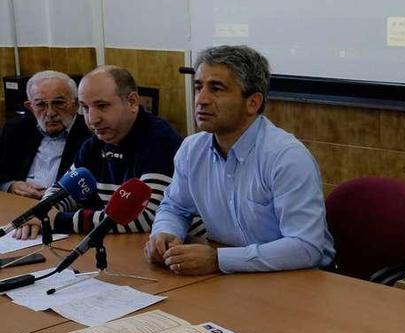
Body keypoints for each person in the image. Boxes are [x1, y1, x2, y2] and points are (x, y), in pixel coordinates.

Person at [145, 45, 334, 275]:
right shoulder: (191, 150)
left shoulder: (286, 157)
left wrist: (219, 260)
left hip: (298, 278)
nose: (201, 100)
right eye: (198, 87)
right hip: (232, 276)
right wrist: (165, 233)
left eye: (216, 89)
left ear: (253, 103)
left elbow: (306, 247)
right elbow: (174, 208)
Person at [15, 65, 184, 239]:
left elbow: (146, 217)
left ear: (132, 102)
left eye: (102, 106)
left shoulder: (160, 140)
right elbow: (63, 191)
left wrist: (57, 220)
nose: (92, 120)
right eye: (85, 108)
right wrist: (42, 211)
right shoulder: (94, 144)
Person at [0, 71, 91, 199]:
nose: (50, 113)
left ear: (75, 104)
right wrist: (10, 186)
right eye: (41, 104)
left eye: (58, 103)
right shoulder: (16, 129)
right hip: (19, 204)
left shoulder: (91, 135)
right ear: (30, 107)